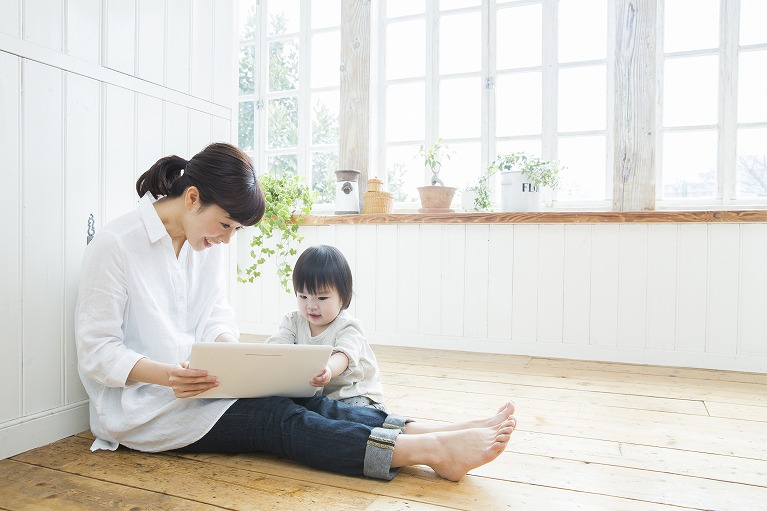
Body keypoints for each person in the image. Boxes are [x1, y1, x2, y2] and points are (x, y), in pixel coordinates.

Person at [75, 142, 517, 481]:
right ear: (192, 198)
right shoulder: (115, 246)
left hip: (202, 388)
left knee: (307, 398)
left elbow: (215, 315)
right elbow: (97, 352)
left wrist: (233, 358)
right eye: (226, 224)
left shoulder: (202, 243)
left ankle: (430, 431)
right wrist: (167, 375)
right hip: (145, 411)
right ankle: (428, 452)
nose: (227, 239)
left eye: (235, 229)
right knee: (277, 419)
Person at [266, 244, 386, 410]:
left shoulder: (348, 326)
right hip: (319, 397)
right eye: (303, 296)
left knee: (354, 417)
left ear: (343, 297)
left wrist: (328, 368)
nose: (311, 305)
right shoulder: (292, 321)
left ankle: (384, 426)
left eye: (321, 298)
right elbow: (278, 346)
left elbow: (344, 355)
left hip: (355, 395)